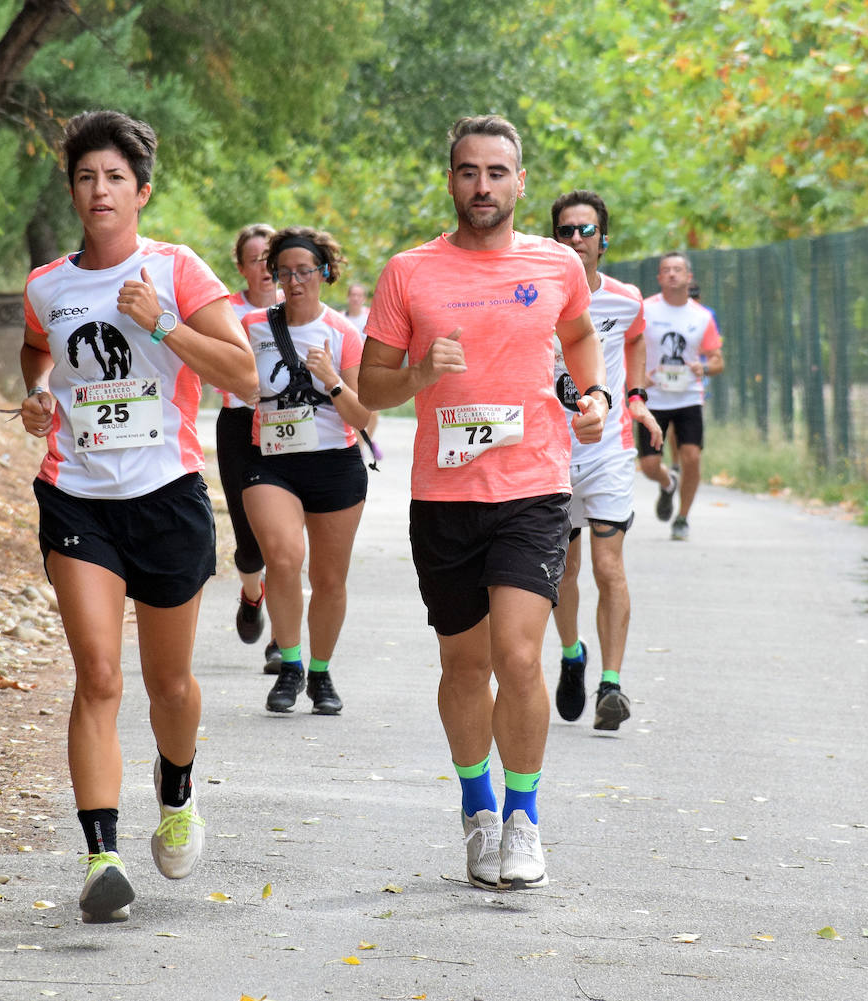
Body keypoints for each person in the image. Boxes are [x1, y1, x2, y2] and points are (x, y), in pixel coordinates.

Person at [18, 110, 259, 924]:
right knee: (98, 673)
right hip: (77, 496)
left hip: (166, 499)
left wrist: (162, 322)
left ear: (142, 191)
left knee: (169, 684)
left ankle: (179, 787)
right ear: (73, 191)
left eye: (115, 177)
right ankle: (101, 857)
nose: (99, 190)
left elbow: (247, 376)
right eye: (86, 177)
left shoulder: (180, 269)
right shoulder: (47, 284)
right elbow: (34, 346)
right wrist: (40, 388)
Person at [357, 115, 609, 891]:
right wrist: (419, 374)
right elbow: (371, 387)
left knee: (520, 655)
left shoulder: (557, 263)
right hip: (444, 494)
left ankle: (524, 819)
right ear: (451, 179)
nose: (483, 187)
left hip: (532, 486)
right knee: (464, 665)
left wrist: (594, 395)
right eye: (468, 172)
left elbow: (578, 338)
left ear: (520, 181)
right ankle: (477, 807)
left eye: (497, 172)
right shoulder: (410, 272)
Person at [240, 226, 373, 716]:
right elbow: (226, 372)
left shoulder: (344, 333)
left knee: (329, 578)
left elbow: (365, 419)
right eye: (284, 272)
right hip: (269, 459)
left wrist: (332, 379)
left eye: (305, 272)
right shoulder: (253, 325)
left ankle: (320, 671)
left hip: (334, 464)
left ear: (325, 274)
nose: (294, 282)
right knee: (282, 554)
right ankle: (290, 664)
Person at [547, 189, 661, 732]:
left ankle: (612, 685)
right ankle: (573, 654)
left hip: (610, 451)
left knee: (608, 566)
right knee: (563, 569)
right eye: (566, 231)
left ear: (603, 240)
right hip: (551, 452)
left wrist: (635, 399)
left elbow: (636, 343)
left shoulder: (626, 300)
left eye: (585, 231)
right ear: (554, 238)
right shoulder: (537, 296)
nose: (575, 240)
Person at [215, 223, 281, 665]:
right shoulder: (225, 311)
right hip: (239, 425)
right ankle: (251, 592)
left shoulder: (297, 308)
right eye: (254, 259)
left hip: (287, 426)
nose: (264, 267)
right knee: (250, 545)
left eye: (269, 257)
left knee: (284, 539)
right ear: (241, 267)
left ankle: (283, 639)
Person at [638, 251, 723, 541]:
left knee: (692, 457)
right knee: (649, 465)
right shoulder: (645, 309)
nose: (672, 274)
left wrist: (705, 366)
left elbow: (718, 360)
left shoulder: (702, 317)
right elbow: (630, 346)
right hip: (653, 398)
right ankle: (667, 483)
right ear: (659, 277)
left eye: (678, 269)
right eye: (666, 270)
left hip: (688, 397)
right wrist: (639, 377)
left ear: (689, 277)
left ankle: (683, 517)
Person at [342, 282, 383, 465]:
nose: (356, 298)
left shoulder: (370, 317)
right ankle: (357, 449)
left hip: (368, 371)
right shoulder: (342, 319)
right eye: (353, 295)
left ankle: (367, 442)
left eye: (359, 295)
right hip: (348, 372)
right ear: (348, 297)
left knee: (373, 412)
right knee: (355, 410)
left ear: (364, 299)